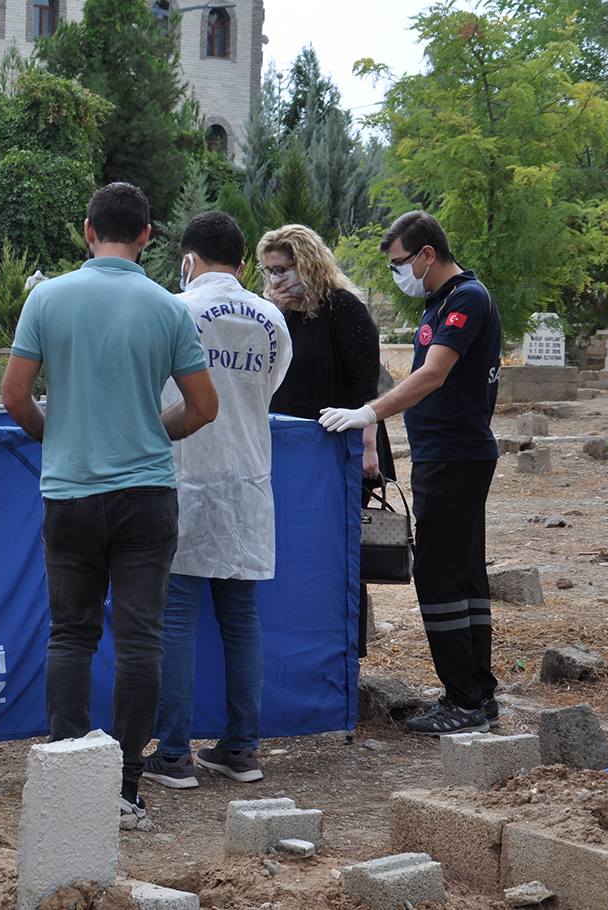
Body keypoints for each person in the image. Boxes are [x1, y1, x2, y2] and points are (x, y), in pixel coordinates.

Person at [1, 182, 219, 822]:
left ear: (88, 232)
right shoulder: (169, 308)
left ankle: (69, 779)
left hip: (69, 493)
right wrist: (159, 431)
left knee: (70, 635)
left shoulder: (47, 297)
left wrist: (55, 434)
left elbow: (16, 395)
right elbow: (204, 407)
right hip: (146, 496)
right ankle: (124, 785)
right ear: (148, 237)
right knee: (141, 640)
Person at [319, 210, 502, 735]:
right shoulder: (440, 301)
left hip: (455, 456)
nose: (399, 272)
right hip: (446, 455)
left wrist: (369, 413)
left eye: (401, 262)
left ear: (427, 254)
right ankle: (477, 696)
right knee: (464, 575)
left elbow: (433, 375)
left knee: (440, 575)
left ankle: (464, 703)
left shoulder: (466, 298)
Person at [142, 212, 291, 789]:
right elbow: (268, 388)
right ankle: (241, 749)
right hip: (249, 478)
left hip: (189, 474)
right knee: (241, 618)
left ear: (189, 260)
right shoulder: (272, 318)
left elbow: (159, 388)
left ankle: (175, 752)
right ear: (242, 261)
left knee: (176, 614)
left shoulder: (177, 309)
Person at [258, 223, 394, 658]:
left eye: (283, 269)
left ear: (307, 264)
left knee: (337, 554)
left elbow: (365, 384)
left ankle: (343, 656)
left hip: (342, 445)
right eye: (269, 271)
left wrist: (368, 447)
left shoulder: (343, 308)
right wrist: (273, 314)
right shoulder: (271, 313)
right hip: (288, 451)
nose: (276, 279)